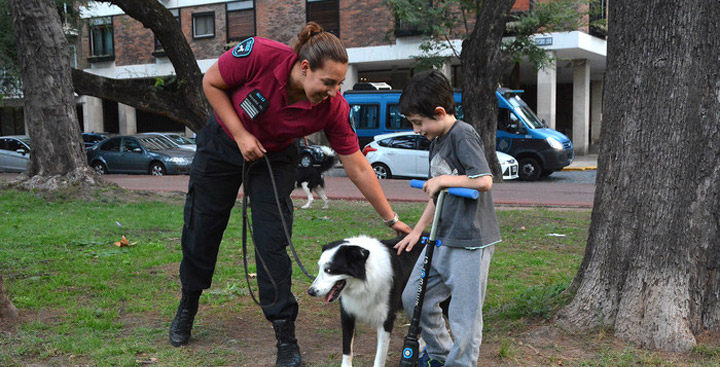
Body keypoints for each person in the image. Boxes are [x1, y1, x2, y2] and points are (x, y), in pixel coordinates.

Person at [168, 22, 412, 366]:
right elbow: (211, 82)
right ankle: (188, 304)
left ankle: (285, 337)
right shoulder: (260, 54)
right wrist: (240, 134)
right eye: (328, 82)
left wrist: (391, 219)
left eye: (339, 84)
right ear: (304, 67)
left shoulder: (333, 107)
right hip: (223, 143)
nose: (333, 91)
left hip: (276, 156)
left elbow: (356, 165)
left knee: (272, 240)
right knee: (201, 229)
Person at [393, 70, 501, 367]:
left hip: (469, 242)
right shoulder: (436, 141)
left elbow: (483, 181)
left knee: (465, 316)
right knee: (415, 298)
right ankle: (440, 354)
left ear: (439, 113)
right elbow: (437, 195)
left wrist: (443, 181)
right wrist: (417, 231)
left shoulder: (462, 134)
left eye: (418, 122)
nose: (416, 129)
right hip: (441, 239)